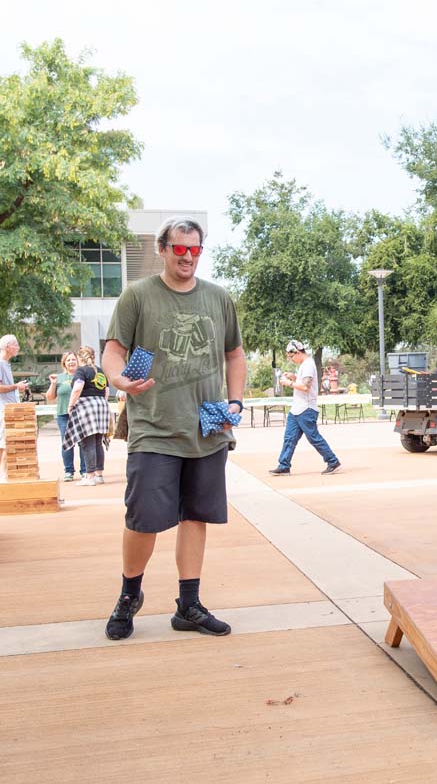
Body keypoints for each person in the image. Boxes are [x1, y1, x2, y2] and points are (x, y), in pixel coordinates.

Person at [100, 216, 245, 641]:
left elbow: (235, 355)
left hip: (207, 426)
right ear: (162, 249)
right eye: (179, 248)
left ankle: (188, 605)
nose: (187, 257)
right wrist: (119, 379)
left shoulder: (218, 298)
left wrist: (235, 400)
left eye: (194, 249)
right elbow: (113, 350)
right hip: (154, 425)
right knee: (143, 519)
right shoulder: (138, 296)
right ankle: (129, 596)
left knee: (196, 516)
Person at [268, 340, 341, 476]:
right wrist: (294, 377)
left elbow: (306, 386)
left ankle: (333, 461)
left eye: (291, 356)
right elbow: (304, 382)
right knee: (289, 438)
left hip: (306, 409)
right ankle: (284, 465)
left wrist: (289, 383)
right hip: (297, 408)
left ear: (297, 352)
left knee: (313, 437)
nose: (291, 359)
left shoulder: (308, 365)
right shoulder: (304, 365)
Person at [63, 346, 111, 486]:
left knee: (87, 442)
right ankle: (99, 475)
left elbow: (77, 388)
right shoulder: (100, 371)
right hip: (101, 405)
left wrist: (71, 405)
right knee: (97, 442)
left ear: (79, 358)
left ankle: (90, 477)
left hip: (86, 406)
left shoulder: (82, 371)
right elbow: (107, 391)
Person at [0, 334, 30, 480]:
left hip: (10, 408)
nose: (18, 347)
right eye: (15, 345)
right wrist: (16, 386)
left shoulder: (5, 363)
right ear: (7, 347)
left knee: (9, 443)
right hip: (2, 409)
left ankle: (7, 474)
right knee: (0, 443)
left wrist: (17, 388)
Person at [46, 351, 86, 481]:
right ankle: (69, 471)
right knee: (67, 443)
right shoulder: (59, 378)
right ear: (64, 363)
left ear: (78, 361)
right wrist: (53, 383)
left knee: (83, 442)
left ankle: (85, 470)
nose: (71, 362)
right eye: (68, 360)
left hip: (80, 413)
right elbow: (50, 397)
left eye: (73, 359)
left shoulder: (83, 375)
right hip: (63, 414)